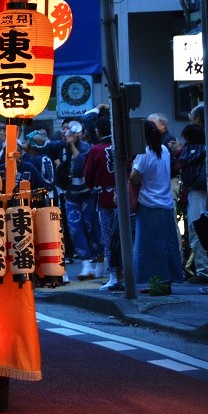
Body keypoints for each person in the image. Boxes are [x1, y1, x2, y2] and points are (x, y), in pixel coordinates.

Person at [46, 120, 102, 280]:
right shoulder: (59, 146)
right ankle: (86, 265)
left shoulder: (85, 147)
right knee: (75, 229)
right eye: (63, 129)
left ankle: (99, 263)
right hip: (71, 194)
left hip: (87, 194)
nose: (66, 132)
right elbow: (43, 145)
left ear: (80, 133)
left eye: (69, 129)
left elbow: (83, 164)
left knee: (92, 229)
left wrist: (72, 146)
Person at [130, 120, 182, 285]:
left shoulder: (144, 154)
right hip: (166, 203)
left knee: (147, 247)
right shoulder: (165, 150)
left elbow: (134, 177)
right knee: (166, 245)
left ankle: (150, 281)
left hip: (148, 204)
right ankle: (168, 278)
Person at [83, 116, 123, 291]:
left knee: (108, 237)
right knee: (128, 237)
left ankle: (115, 276)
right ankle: (128, 274)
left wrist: (97, 187)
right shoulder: (122, 146)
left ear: (98, 132)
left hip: (106, 198)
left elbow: (88, 177)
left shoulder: (96, 150)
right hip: (126, 196)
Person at [178, 123, 208, 285]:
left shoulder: (189, 152)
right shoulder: (204, 149)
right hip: (201, 192)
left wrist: (191, 185)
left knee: (197, 230)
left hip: (197, 194)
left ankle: (203, 271)